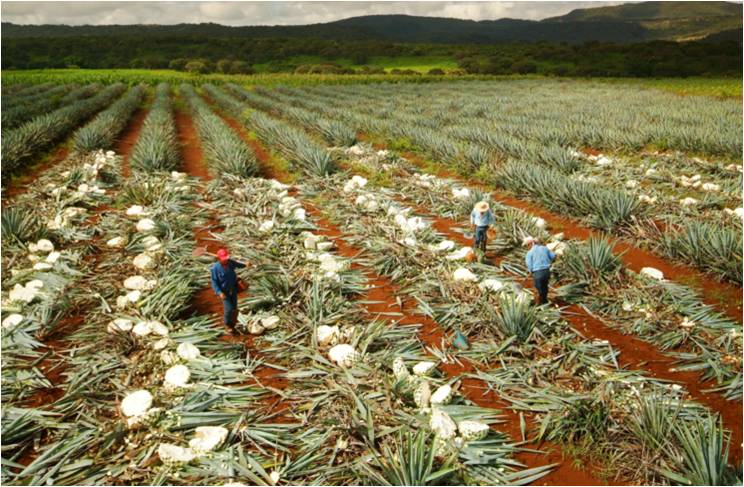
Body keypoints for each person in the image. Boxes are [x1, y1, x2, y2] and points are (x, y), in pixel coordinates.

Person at [210, 248, 246, 332]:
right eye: (224, 259)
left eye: (226, 258)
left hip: (233, 289)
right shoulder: (215, 269)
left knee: (234, 308)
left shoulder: (230, 263)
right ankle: (227, 324)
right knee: (229, 309)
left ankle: (233, 324)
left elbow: (239, 265)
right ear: (219, 259)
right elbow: (214, 282)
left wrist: (246, 264)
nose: (226, 260)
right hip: (224, 292)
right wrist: (219, 292)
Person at [524, 237, 556, 305]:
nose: (527, 247)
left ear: (531, 244)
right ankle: (545, 301)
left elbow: (529, 264)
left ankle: (538, 305)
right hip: (546, 272)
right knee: (545, 287)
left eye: (527, 245)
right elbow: (553, 256)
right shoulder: (545, 248)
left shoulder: (530, 253)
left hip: (537, 273)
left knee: (538, 290)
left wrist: (530, 271)